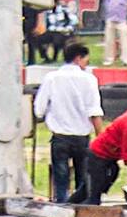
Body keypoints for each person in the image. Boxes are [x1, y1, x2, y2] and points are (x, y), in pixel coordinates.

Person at [33, 42, 105, 203]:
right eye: (86, 59)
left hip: (60, 137)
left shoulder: (51, 78)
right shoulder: (89, 79)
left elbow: (39, 109)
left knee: (61, 179)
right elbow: (94, 110)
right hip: (82, 137)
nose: (86, 63)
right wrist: (101, 138)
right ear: (78, 58)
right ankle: (80, 207)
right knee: (83, 180)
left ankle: (61, 206)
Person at [42, 0, 78, 64]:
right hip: (51, 31)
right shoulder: (47, 11)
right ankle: (46, 58)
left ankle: (55, 57)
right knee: (38, 39)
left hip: (63, 31)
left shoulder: (64, 9)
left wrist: (68, 29)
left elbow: (73, 20)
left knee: (57, 39)